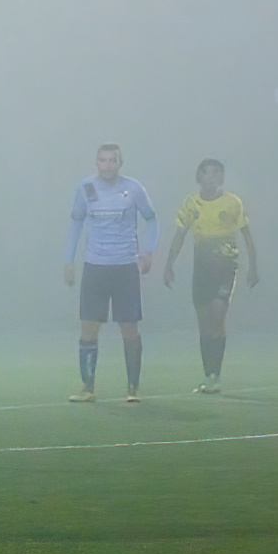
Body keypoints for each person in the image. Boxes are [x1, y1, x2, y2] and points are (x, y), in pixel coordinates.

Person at [63, 143, 160, 402]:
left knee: (129, 328)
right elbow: (76, 223)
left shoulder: (133, 188)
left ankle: (133, 388)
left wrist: (148, 251)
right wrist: (68, 260)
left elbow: (152, 219)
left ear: (120, 163)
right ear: (96, 162)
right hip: (95, 267)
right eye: (103, 160)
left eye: (112, 160)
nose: (107, 165)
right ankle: (88, 388)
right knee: (88, 327)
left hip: (125, 267)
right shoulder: (86, 188)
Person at [163, 158, 258, 393]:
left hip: (226, 267)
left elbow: (246, 236)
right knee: (205, 323)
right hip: (202, 268)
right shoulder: (191, 203)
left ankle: (215, 374)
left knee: (216, 318)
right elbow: (180, 235)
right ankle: (209, 375)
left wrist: (253, 266)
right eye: (207, 173)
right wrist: (169, 263)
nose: (212, 178)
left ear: (222, 178)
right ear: (199, 177)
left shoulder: (232, 203)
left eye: (217, 173)